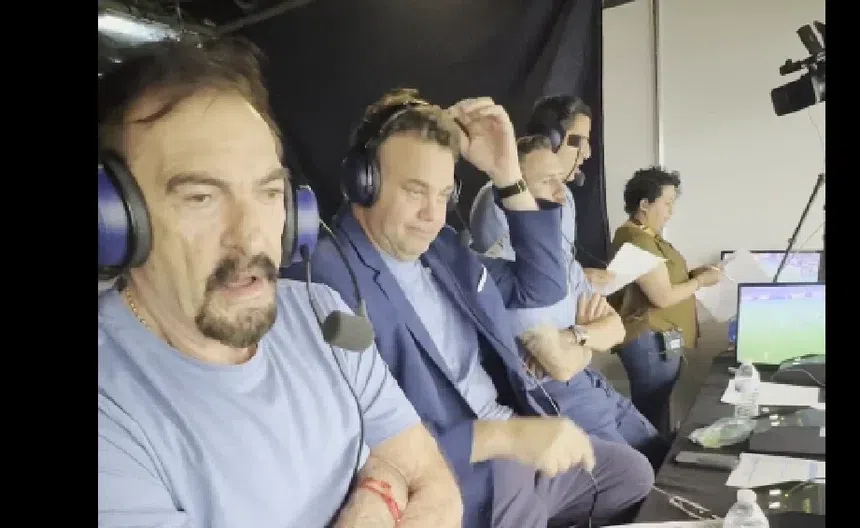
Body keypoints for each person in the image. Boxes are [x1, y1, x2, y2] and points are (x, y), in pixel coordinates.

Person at [97, 39, 462, 528]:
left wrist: (378, 495)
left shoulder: (321, 313)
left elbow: (434, 485)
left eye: (269, 192)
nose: (252, 238)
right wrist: (383, 484)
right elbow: (401, 474)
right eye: (202, 197)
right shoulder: (109, 415)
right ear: (116, 221)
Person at [285, 88, 654, 528]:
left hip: (518, 445)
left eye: (444, 194)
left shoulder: (443, 250)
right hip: (460, 473)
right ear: (363, 183)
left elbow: (542, 288)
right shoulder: (323, 278)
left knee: (632, 476)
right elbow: (358, 446)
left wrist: (508, 176)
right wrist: (504, 437)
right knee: (521, 490)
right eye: (415, 191)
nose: (433, 215)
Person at [469, 134, 668, 467]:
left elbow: (615, 327)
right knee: (644, 480)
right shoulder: (499, 268)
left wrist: (573, 335)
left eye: (560, 180)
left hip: (595, 386)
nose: (562, 193)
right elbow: (558, 365)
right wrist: (587, 335)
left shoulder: (560, 259)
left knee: (666, 455)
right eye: (548, 182)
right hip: (564, 402)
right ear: (509, 196)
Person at [608, 166, 722, 436]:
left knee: (658, 408)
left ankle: (656, 456)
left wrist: (692, 274)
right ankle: (650, 460)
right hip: (650, 339)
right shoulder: (635, 239)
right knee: (651, 411)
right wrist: (700, 282)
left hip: (659, 338)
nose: (671, 211)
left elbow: (663, 279)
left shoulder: (648, 236)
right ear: (644, 204)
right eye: (667, 203)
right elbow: (662, 296)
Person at [524, 94, 613, 289]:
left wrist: (583, 281)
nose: (587, 153)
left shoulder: (566, 196)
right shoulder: (503, 196)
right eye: (579, 141)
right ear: (552, 140)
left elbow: (564, 265)